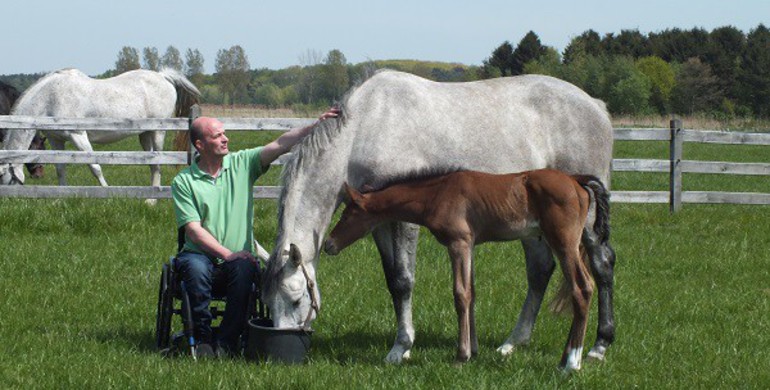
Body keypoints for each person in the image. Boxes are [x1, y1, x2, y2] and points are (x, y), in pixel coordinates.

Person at [171, 106, 340, 357]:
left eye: (224, 133)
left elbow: (281, 144)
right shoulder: (184, 181)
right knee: (195, 270)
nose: (225, 138)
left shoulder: (242, 163)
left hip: (239, 257)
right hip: (199, 255)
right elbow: (194, 231)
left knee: (245, 268)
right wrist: (228, 255)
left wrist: (314, 127)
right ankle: (203, 340)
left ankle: (227, 343)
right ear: (200, 144)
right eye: (217, 136)